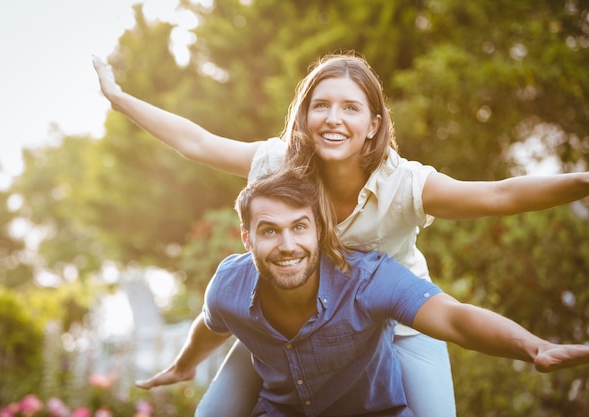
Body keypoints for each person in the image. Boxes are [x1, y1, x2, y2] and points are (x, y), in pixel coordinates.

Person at [92, 52, 589, 417]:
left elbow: (500, 196)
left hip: (398, 320)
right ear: (304, 117)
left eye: (350, 108)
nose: (333, 119)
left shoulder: (406, 184)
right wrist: (119, 100)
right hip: (295, 319)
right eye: (321, 106)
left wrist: (582, 182)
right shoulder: (277, 162)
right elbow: (197, 142)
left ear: (374, 125)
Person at [135, 170, 589, 417]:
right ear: (246, 238)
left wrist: (534, 346)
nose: (288, 245)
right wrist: (183, 365)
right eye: (269, 231)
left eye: (300, 227)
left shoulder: (369, 280)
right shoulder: (230, 284)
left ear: (320, 231)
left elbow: (454, 318)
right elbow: (210, 325)